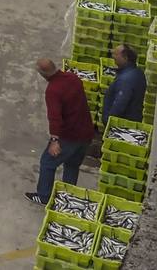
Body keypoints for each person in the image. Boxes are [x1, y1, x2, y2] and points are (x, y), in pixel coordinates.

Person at [26, 58, 96, 205]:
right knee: (71, 165)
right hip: (86, 133)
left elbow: (55, 117)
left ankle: (44, 196)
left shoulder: (53, 90)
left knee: (47, 162)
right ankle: (68, 195)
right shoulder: (73, 78)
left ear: (43, 74)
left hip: (69, 136)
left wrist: (54, 140)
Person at [101, 44, 147, 127]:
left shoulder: (125, 80)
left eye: (116, 54)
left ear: (125, 58)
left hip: (121, 125)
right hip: (133, 121)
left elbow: (119, 105)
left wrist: (108, 121)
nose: (113, 56)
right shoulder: (138, 72)